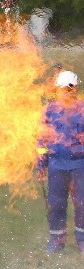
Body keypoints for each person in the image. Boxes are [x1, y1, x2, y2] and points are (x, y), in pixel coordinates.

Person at [38, 66, 84, 253]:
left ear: (75, 89)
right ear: (57, 89)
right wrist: (41, 164)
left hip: (79, 164)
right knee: (56, 203)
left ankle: (82, 240)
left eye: (70, 88)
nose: (67, 92)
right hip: (56, 165)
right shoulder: (49, 110)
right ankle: (57, 240)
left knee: (82, 203)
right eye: (63, 89)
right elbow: (42, 139)